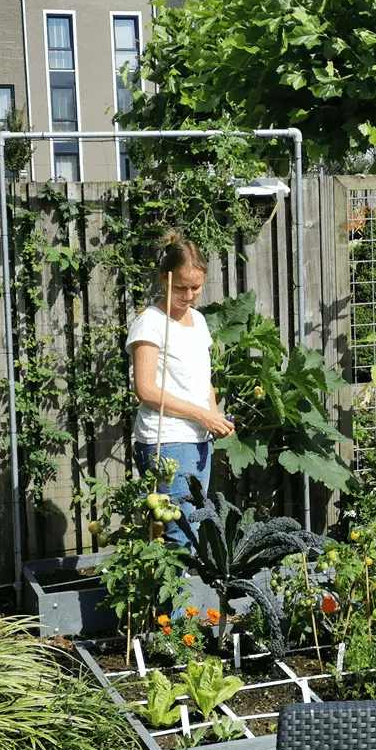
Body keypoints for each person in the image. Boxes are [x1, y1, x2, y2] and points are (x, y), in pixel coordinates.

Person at [126, 230, 235, 553]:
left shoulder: (199, 321)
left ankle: (183, 605)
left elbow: (204, 381)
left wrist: (214, 417)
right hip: (168, 441)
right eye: (181, 287)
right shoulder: (150, 323)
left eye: (196, 288)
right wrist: (202, 415)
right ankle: (175, 606)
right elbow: (145, 389)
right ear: (164, 278)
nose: (188, 295)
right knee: (181, 534)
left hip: (199, 440)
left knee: (192, 529)